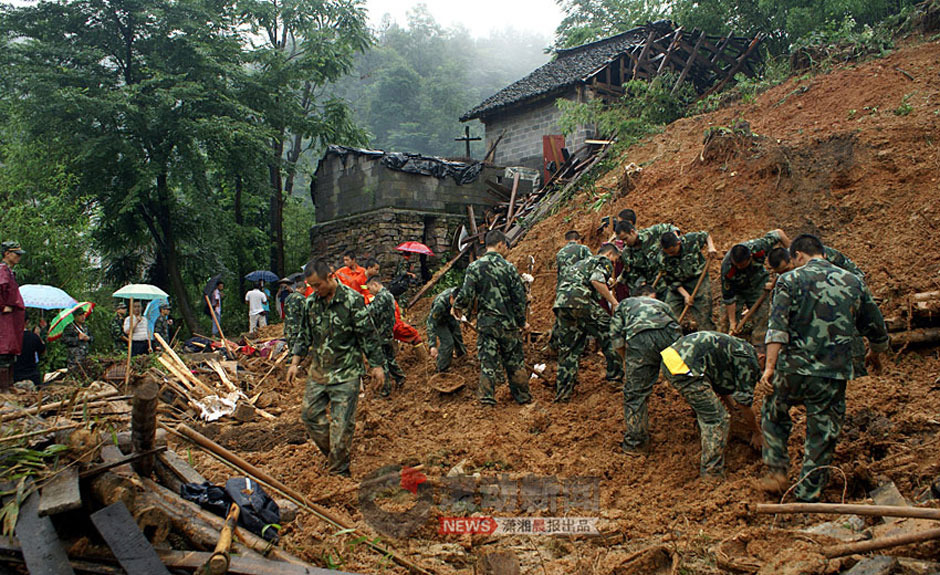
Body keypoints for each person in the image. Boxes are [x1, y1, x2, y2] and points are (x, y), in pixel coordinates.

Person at [759, 234, 889, 502]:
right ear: (822, 253)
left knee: (773, 413)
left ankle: (776, 472)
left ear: (797, 256)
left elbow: (777, 329)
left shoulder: (789, 280)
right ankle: (808, 493)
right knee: (822, 432)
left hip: (792, 368)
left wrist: (769, 368)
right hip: (831, 373)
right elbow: (875, 326)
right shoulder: (853, 281)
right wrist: (875, 353)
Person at [286, 259, 385, 476]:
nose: (315, 290)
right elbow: (304, 335)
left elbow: (367, 334)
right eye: (311, 286)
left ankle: (339, 473)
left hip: (347, 373)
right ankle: (335, 453)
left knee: (342, 427)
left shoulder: (352, 300)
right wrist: (294, 362)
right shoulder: (311, 303)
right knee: (310, 416)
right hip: (319, 372)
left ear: (330, 277)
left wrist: (376, 365)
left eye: (318, 285)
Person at [660, 331, 762, 478]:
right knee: (717, 418)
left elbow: (719, 382)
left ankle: (706, 436)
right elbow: (744, 403)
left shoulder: (739, 348)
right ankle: (711, 474)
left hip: (673, 358)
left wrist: (732, 409)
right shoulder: (749, 360)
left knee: (710, 407)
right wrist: (757, 432)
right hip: (686, 368)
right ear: (762, 358)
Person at [453, 230, 532, 406]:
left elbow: (466, 294)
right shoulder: (509, 268)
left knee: (488, 363)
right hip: (508, 325)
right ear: (500, 244)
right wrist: (522, 322)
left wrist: (457, 307)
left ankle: (487, 400)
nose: (507, 250)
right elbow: (519, 299)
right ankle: (524, 399)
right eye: (506, 246)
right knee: (515, 363)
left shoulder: (474, 267)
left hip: (487, 324)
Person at [767, 245, 869, 376]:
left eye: (786, 269)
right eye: (780, 273)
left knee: (845, 329)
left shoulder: (822, 254)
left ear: (794, 258)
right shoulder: (789, 276)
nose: (784, 274)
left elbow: (858, 277)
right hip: (812, 303)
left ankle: (858, 369)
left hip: (838, 298)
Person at [609, 287, 682, 454]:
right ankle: (700, 415)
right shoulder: (661, 304)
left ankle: (636, 444)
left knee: (635, 394)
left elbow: (616, 338)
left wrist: (626, 360)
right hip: (670, 333)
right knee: (685, 379)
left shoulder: (623, 305)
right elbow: (677, 326)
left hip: (641, 336)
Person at [552, 243, 625, 402]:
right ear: (610, 255)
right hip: (580, 301)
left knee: (569, 348)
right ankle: (615, 378)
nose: (613, 264)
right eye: (615, 260)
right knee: (611, 331)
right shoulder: (602, 260)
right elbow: (596, 281)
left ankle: (563, 393)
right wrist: (614, 302)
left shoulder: (580, 264)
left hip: (562, 304)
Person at [720, 230, 790, 345]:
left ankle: (759, 351)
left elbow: (779, 233)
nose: (738, 267)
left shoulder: (759, 247)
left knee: (763, 319)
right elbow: (729, 297)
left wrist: (791, 255)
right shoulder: (727, 268)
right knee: (725, 323)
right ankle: (724, 347)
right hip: (737, 289)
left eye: (741, 265)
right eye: (736, 265)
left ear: (750, 257)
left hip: (758, 284)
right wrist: (732, 322)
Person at [660, 230, 718, 330]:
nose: (670, 255)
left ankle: (708, 335)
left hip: (698, 280)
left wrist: (711, 247)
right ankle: (677, 336)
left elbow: (705, 235)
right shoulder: (662, 258)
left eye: (672, 252)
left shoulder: (690, 240)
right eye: (668, 253)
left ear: (678, 243)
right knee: (670, 313)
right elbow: (670, 280)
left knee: (703, 315)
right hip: (677, 286)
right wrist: (686, 295)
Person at [615, 220, 678, 297]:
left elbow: (670, 228)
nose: (625, 243)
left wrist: (674, 241)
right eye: (622, 241)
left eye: (626, 239)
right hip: (652, 289)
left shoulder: (652, 233)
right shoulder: (628, 253)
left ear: (632, 232)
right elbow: (630, 273)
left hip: (668, 280)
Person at [366, 276, 406, 396]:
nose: (369, 291)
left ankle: (385, 390)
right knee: (389, 359)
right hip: (387, 333)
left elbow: (370, 312)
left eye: (369, 288)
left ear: (375, 285)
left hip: (381, 334)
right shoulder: (388, 295)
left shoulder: (381, 297)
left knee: (383, 362)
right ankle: (400, 377)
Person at [0, 241, 26, 392]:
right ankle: (3, 390)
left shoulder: (9, 271)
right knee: (3, 350)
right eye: (16, 254)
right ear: (7, 254)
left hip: (10, 320)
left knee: (10, 352)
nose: (18, 257)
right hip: (4, 319)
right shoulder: (2, 271)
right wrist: (3, 306)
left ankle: (8, 386)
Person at [426, 287, 466, 373]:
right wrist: (432, 345)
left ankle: (462, 357)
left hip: (450, 316)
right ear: (451, 297)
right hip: (440, 321)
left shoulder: (459, 294)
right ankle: (441, 368)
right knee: (448, 342)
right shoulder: (440, 304)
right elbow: (431, 323)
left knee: (457, 334)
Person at [14, 315, 45, 387]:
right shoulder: (33, 337)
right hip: (32, 375)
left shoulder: (11, 337)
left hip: (15, 376)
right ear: (27, 322)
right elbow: (42, 351)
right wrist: (39, 335)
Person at [283, 276, 307, 354]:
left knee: (290, 347)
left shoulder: (288, 298)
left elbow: (285, 310)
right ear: (302, 288)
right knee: (297, 349)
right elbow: (304, 312)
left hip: (288, 327)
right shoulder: (301, 298)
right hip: (297, 327)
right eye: (305, 290)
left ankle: (289, 363)